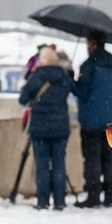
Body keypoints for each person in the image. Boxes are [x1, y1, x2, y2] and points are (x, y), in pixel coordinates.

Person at [19, 46, 73, 211]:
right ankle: (59, 201)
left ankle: (43, 201)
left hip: (40, 127)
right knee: (59, 164)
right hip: (61, 126)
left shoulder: (37, 76)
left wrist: (33, 99)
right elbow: (75, 90)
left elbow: (23, 99)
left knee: (42, 165)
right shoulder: (64, 76)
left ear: (43, 60)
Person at [74, 30, 112, 207]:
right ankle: (109, 196)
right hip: (110, 119)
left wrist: (73, 80)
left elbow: (83, 93)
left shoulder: (88, 65)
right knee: (107, 157)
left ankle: (93, 195)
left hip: (90, 119)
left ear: (93, 43)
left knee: (92, 158)